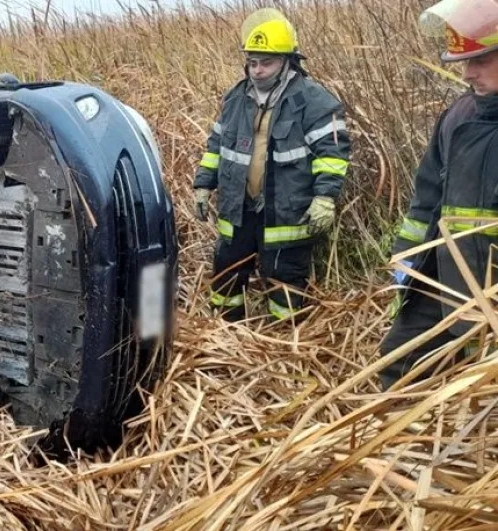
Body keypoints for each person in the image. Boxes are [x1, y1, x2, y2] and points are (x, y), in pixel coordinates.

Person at [193, 8, 351, 322]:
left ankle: (286, 339)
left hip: (285, 210)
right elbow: (217, 145)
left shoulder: (314, 101)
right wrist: (203, 183)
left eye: (266, 62)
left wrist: (325, 198)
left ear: (288, 62)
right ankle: (229, 333)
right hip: (238, 206)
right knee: (227, 270)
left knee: (284, 280)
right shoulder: (236, 98)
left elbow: (332, 153)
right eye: (252, 62)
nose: (257, 70)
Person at [379, 0, 498, 388]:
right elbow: (427, 200)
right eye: (464, 62)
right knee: (398, 367)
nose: (468, 73)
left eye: (480, 60)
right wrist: (409, 261)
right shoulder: (458, 116)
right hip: (448, 279)